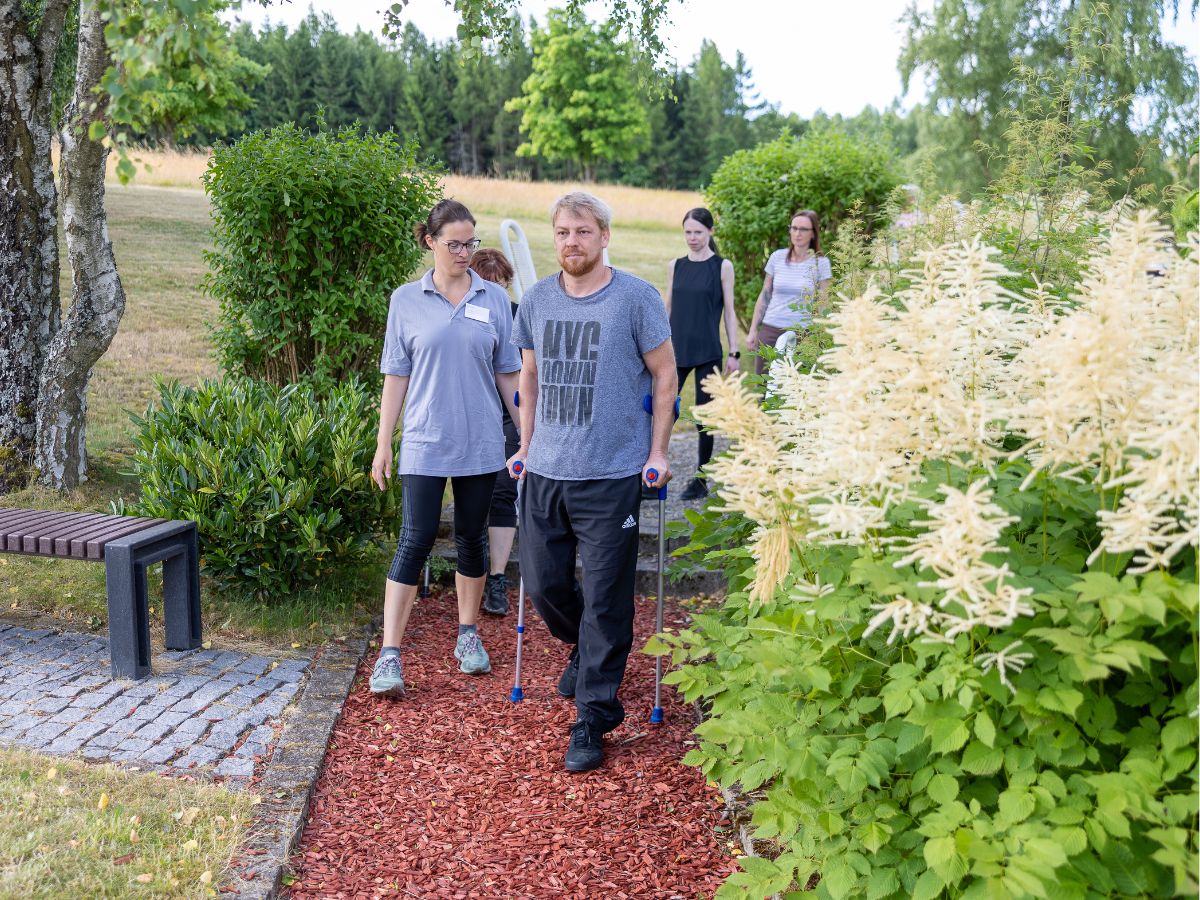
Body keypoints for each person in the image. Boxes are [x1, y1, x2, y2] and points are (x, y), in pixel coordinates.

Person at [507, 191, 677, 773]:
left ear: (604, 236)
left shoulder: (635, 298)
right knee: (544, 581)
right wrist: (525, 447)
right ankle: (583, 647)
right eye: (561, 232)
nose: (570, 242)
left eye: (581, 231)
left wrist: (658, 451)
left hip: (613, 474)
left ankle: (593, 715)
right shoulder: (533, 300)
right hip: (548, 469)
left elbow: (665, 374)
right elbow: (528, 378)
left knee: (606, 598)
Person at [368, 200, 521, 697]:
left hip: (480, 442)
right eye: (454, 243)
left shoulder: (493, 299)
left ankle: (468, 634)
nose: (463, 252)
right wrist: (383, 443)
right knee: (414, 539)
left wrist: (530, 436)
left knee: (473, 539)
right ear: (429, 241)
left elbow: (508, 374)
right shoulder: (405, 300)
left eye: (470, 242)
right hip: (425, 441)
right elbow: (396, 375)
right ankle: (390, 655)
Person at [664, 208, 738, 501]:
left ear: (710, 232)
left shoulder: (722, 266)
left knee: (704, 417)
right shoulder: (676, 265)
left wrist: (734, 352)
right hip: (675, 351)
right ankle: (650, 474)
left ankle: (701, 478)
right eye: (688, 232)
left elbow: (730, 313)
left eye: (698, 232)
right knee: (663, 410)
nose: (692, 238)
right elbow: (667, 308)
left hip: (708, 351)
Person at [468, 248, 520, 616]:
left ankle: (497, 578)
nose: (495, 290)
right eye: (488, 283)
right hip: (470, 413)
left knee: (502, 491)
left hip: (507, 414)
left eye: (500, 283)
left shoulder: (519, 316)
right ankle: (473, 565)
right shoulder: (464, 313)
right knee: (473, 493)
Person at [745, 209, 832, 375]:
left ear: (813, 234)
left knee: (795, 388)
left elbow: (824, 301)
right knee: (765, 385)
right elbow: (764, 296)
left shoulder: (820, 263)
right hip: (771, 330)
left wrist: (821, 335)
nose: (797, 233)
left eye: (803, 229)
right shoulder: (777, 257)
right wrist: (753, 330)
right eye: (794, 228)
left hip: (802, 333)